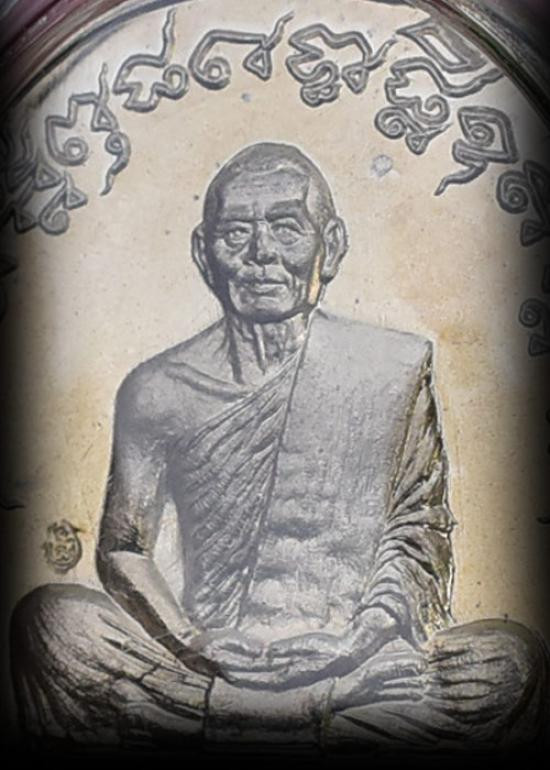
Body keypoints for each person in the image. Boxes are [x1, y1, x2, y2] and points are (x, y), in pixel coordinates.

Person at [10, 143, 548, 753]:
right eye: (236, 233)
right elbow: (125, 548)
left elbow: (418, 530)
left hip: (355, 660)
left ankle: (240, 719)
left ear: (331, 247)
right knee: (50, 621)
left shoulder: (390, 370)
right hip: (209, 661)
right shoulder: (157, 390)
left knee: (510, 662)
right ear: (203, 253)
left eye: (286, 228)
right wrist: (192, 641)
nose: (261, 253)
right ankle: (302, 715)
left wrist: (358, 639)